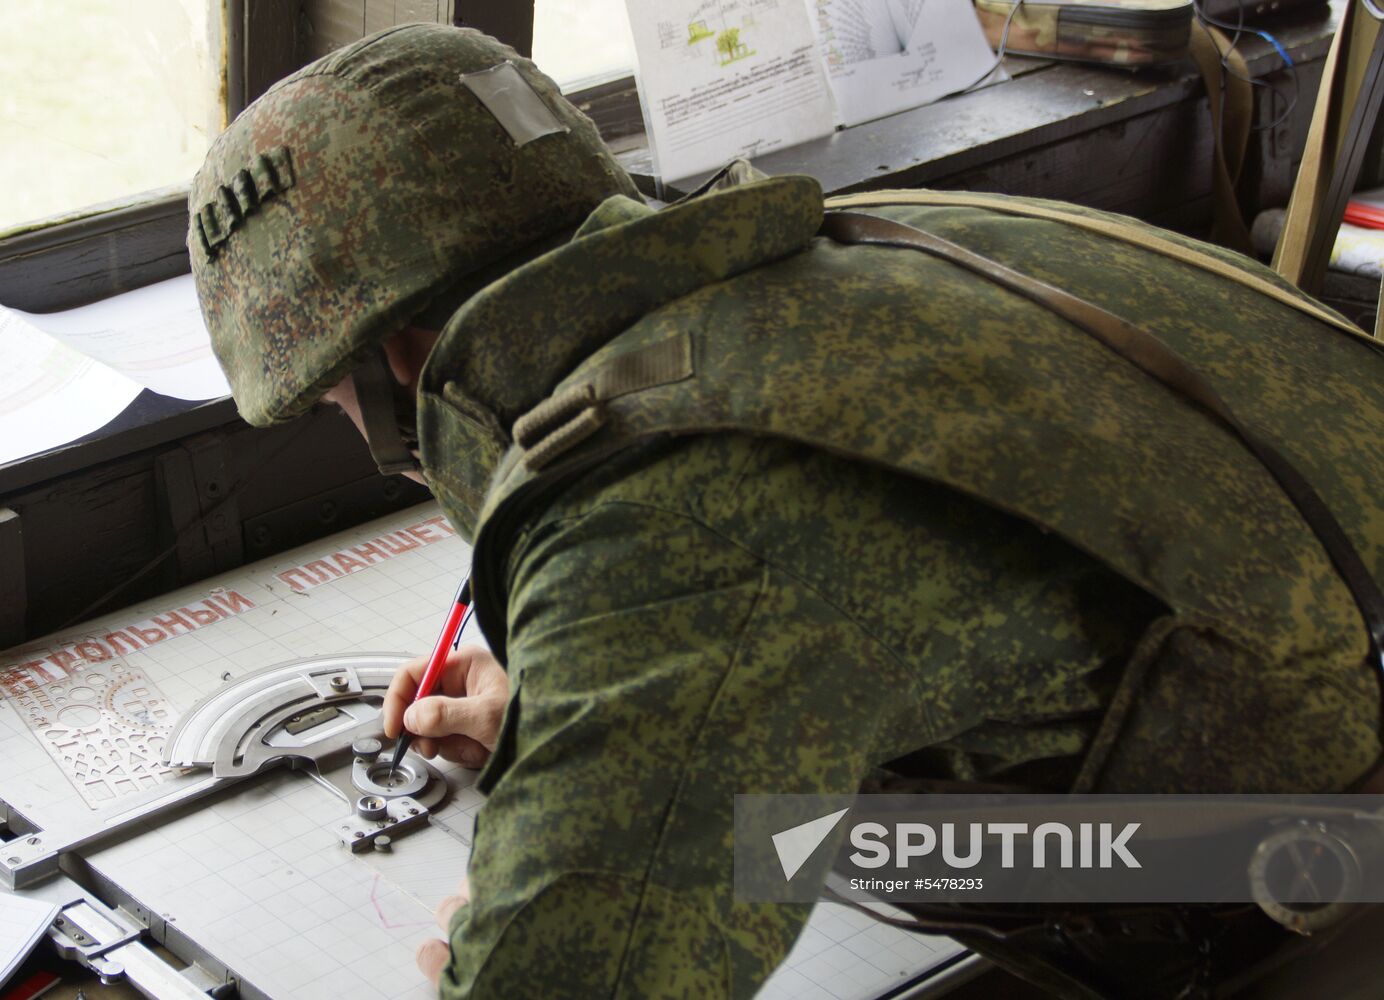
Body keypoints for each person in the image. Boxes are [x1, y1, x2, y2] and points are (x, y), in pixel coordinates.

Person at [189, 22, 1384, 999]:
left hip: (1326, 889)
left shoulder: (659, 520)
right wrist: (592, 727)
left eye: (340, 412)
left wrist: (526, 935)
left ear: (399, 363)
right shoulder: (890, 247)